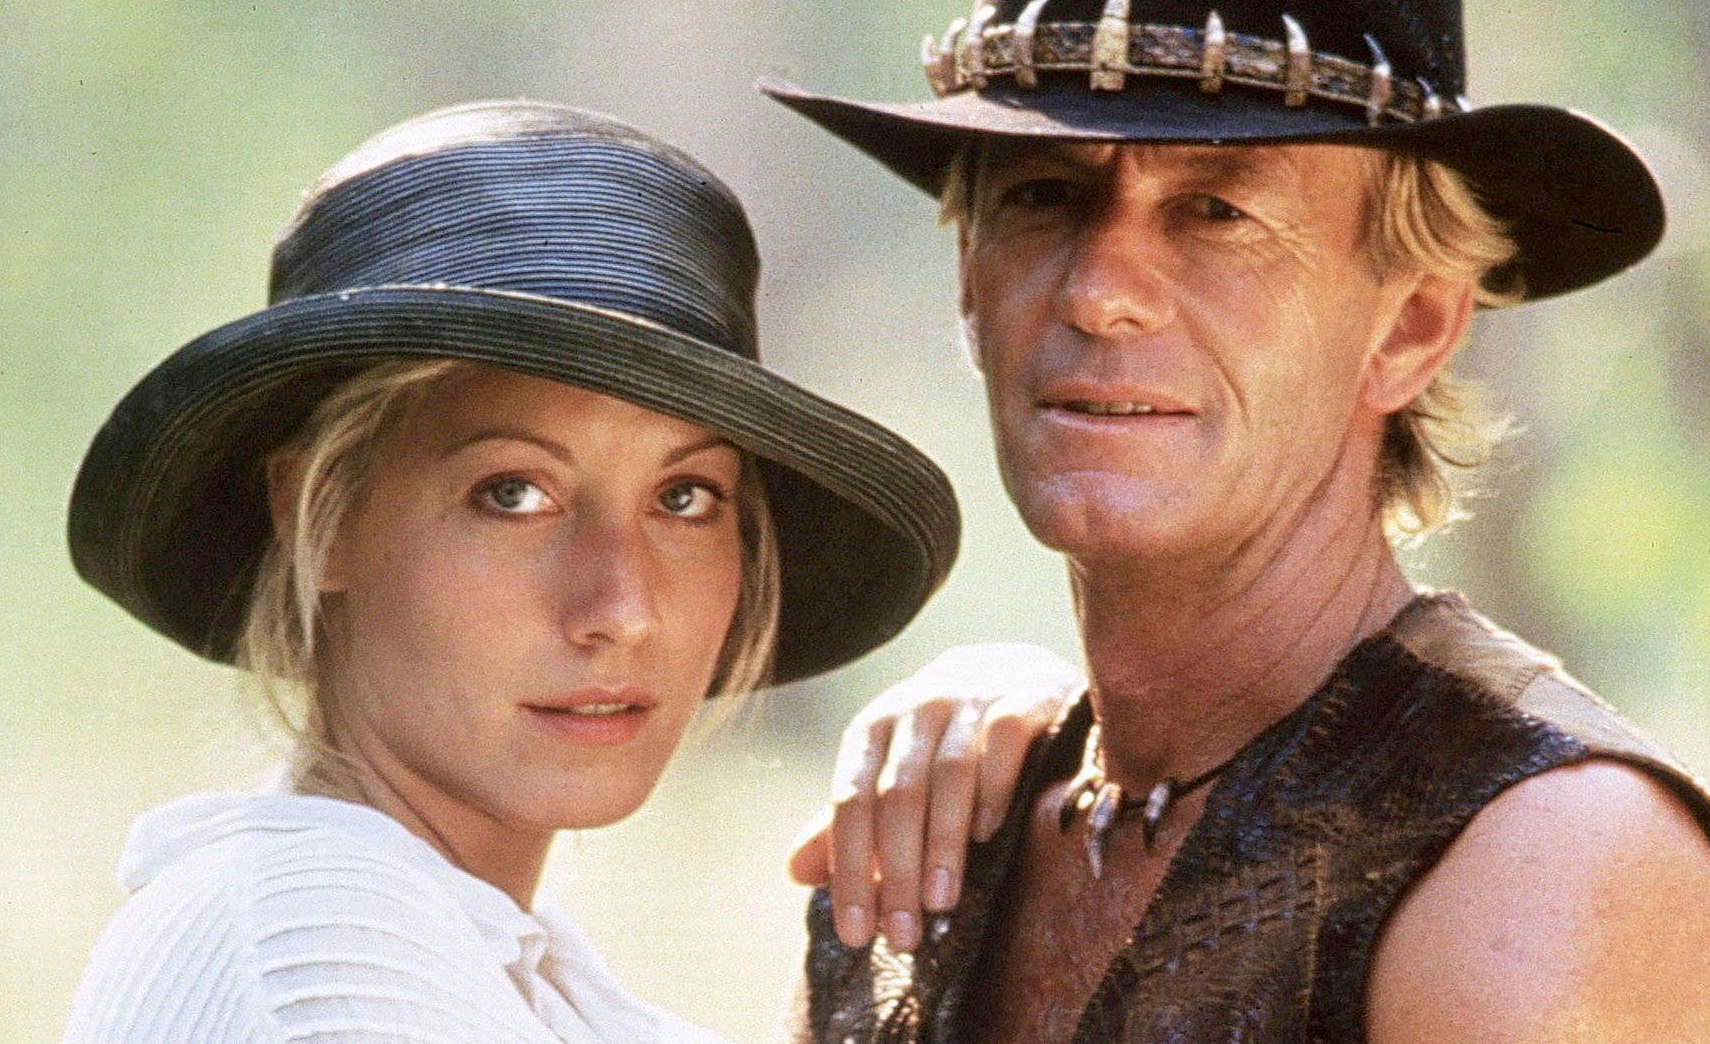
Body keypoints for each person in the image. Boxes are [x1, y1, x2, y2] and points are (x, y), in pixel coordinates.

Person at [763, 0, 1710, 1041]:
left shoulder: (1542, 864)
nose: (1099, 291)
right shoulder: (936, 843)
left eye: (1216, 210)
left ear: (1410, 327)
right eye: (1044, 194)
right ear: (969, 278)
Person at [59, 98, 1060, 1043]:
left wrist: (1057, 729)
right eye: (512, 493)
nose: (621, 607)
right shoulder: (311, 950)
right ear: (315, 519)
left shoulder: (510, 972)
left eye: (684, 498)